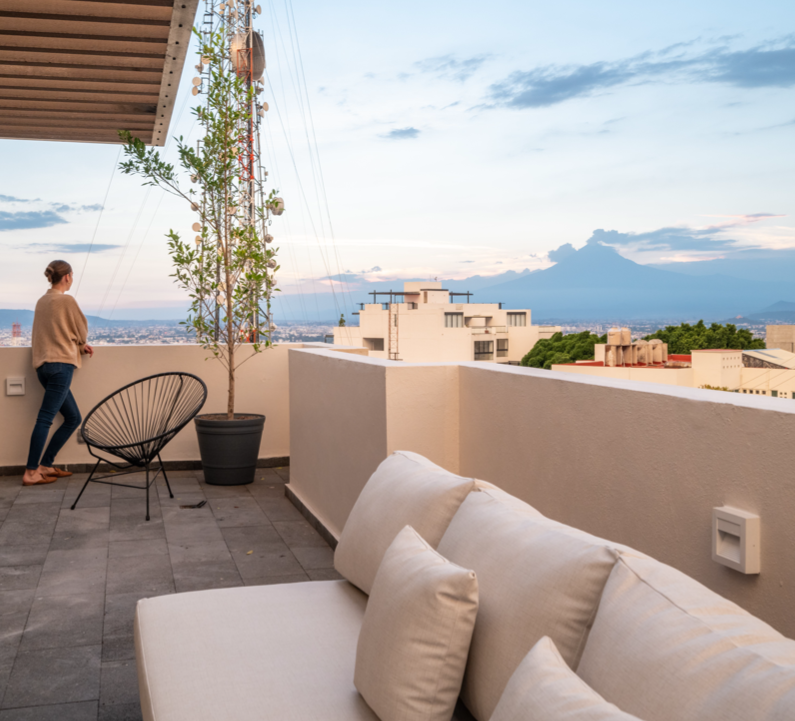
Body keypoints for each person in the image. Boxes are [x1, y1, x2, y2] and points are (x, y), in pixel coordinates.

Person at [22, 260, 94, 486]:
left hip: (43, 367)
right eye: (72, 275)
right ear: (67, 277)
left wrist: (79, 347)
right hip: (61, 366)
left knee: (73, 418)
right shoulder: (67, 300)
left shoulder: (41, 302)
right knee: (45, 419)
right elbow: (81, 329)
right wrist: (82, 343)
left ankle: (46, 465)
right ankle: (31, 472)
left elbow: (50, 333)